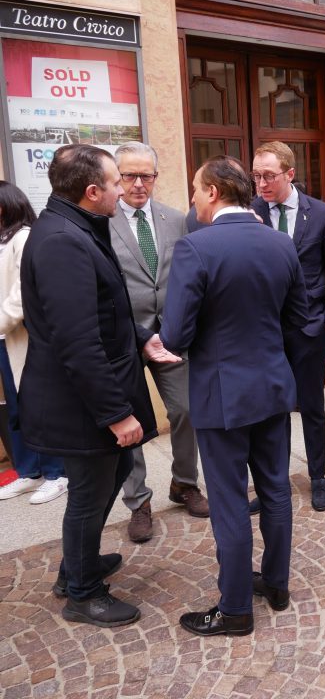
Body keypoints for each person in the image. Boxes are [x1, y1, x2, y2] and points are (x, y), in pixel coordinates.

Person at [20, 144, 169, 627]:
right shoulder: (63, 241)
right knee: (89, 493)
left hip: (90, 396)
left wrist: (143, 338)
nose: (124, 190)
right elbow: (78, 341)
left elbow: (105, 311)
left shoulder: (76, 226)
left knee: (115, 470)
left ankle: (77, 565)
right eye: (115, 182)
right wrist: (116, 414)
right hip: (81, 404)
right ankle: (82, 593)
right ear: (91, 191)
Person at [162, 155, 309, 637]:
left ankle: (235, 609)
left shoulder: (196, 247)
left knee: (228, 501)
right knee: (275, 489)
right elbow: (297, 318)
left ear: (213, 192)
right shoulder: (281, 243)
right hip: (272, 385)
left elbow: (175, 336)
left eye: (195, 189)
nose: (192, 199)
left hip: (222, 393)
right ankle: (277, 585)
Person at [109, 142, 208, 543]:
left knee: (186, 409)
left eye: (145, 176)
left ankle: (184, 483)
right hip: (125, 337)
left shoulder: (174, 218)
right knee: (130, 421)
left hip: (170, 335)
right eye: (129, 175)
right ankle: (138, 501)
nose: (138, 184)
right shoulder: (103, 220)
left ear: (155, 177)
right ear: (117, 177)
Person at [250, 142, 325, 511]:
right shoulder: (250, 212)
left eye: (268, 176)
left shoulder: (320, 214)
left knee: (311, 407)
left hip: (308, 329)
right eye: (256, 176)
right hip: (265, 332)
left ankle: (318, 476)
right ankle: (272, 484)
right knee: (271, 411)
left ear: (289, 174)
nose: (261, 183)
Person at [0, 181, 68, 506]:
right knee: (16, 409)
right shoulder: (3, 240)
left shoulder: (24, 237)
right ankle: (29, 471)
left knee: (39, 408)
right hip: (5, 339)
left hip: (23, 338)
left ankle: (57, 474)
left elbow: (21, 293)